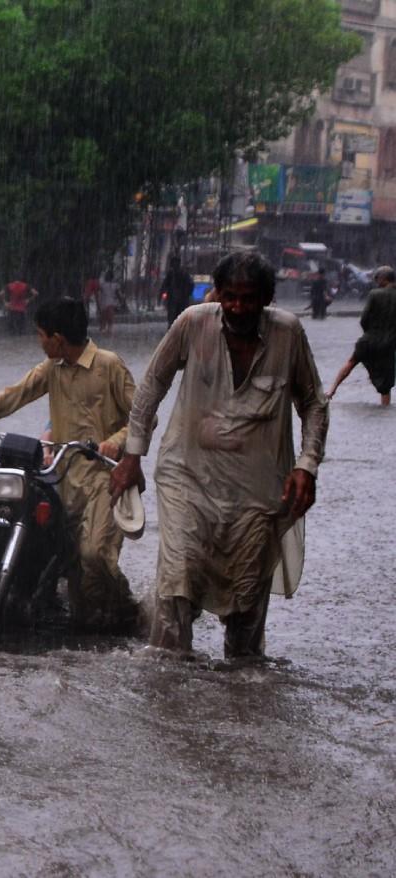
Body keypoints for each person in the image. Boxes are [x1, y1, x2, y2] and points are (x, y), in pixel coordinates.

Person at [110, 251, 329, 659]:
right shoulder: (193, 324)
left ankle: (241, 687)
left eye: (249, 298)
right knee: (178, 580)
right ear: (218, 293)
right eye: (230, 296)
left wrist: (307, 465)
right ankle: (168, 685)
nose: (238, 307)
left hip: (258, 490)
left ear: (266, 299)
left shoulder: (288, 334)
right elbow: (151, 387)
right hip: (187, 478)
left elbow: (314, 403)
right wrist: (131, 456)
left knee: (247, 600)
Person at [0, 298, 142, 633]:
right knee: (73, 576)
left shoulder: (109, 366)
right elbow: (13, 395)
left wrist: (117, 441)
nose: (39, 341)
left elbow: (141, 418)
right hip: (64, 478)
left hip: (105, 479)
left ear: (58, 338)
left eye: (41, 335)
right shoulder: (52, 370)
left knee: (94, 556)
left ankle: (130, 610)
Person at [325, 264, 396, 406]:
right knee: (385, 382)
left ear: (383, 279)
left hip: (370, 339)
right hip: (389, 342)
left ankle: (331, 391)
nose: (376, 281)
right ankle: (385, 406)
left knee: (351, 362)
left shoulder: (374, 294)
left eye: (377, 278)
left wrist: (368, 333)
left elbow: (364, 319)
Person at [160, 256, 194, 327]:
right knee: (176, 317)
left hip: (176, 300)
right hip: (177, 300)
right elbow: (191, 284)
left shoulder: (176, 273)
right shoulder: (176, 273)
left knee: (173, 317)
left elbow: (164, 285)